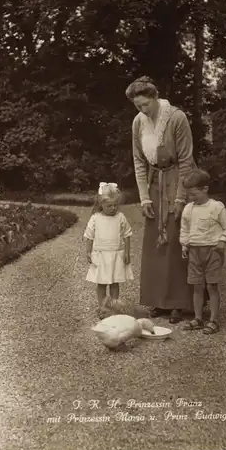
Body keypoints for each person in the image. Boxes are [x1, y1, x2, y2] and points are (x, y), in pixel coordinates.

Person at [126, 75, 197, 324]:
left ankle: (178, 303)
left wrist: (180, 199)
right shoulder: (138, 123)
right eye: (138, 106)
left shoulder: (176, 118)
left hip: (179, 181)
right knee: (156, 242)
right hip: (155, 185)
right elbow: (138, 161)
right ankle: (158, 301)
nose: (143, 110)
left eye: (146, 104)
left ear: (156, 97)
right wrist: (144, 198)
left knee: (177, 240)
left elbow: (187, 160)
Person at [179, 169, 226, 334]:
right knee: (196, 286)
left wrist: (222, 241)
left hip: (213, 251)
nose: (191, 198)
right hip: (194, 252)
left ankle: (214, 320)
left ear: (205, 189)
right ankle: (198, 318)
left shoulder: (216, 207)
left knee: (212, 285)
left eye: (194, 194)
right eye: (188, 194)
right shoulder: (188, 209)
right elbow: (185, 229)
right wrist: (184, 245)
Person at [83, 182, 134, 318]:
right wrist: (88, 251)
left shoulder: (120, 217)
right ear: (101, 205)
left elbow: (127, 234)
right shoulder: (95, 218)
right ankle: (102, 308)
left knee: (114, 282)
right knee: (101, 283)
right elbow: (89, 235)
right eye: (109, 206)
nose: (113, 208)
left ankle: (114, 307)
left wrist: (127, 252)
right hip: (101, 255)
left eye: (115, 205)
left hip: (116, 254)